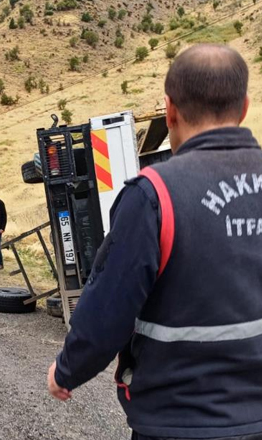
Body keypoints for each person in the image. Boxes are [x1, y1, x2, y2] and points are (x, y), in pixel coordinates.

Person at [47, 44, 262, 440]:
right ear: (244, 107)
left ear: (171, 110)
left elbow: (107, 309)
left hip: (178, 422)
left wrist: (66, 371)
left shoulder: (153, 196)